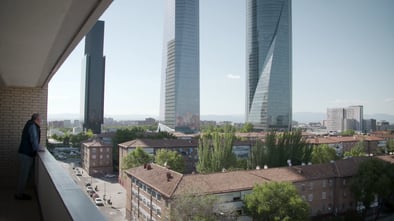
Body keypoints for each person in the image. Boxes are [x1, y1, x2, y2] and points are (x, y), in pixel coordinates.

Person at [15, 113, 43, 200]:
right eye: (40, 119)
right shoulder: (32, 126)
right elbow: (34, 139)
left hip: (26, 153)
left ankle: (21, 192)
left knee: (26, 174)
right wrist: (39, 149)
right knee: (24, 175)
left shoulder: (30, 124)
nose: (41, 121)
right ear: (36, 119)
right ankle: (19, 194)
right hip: (26, 154)